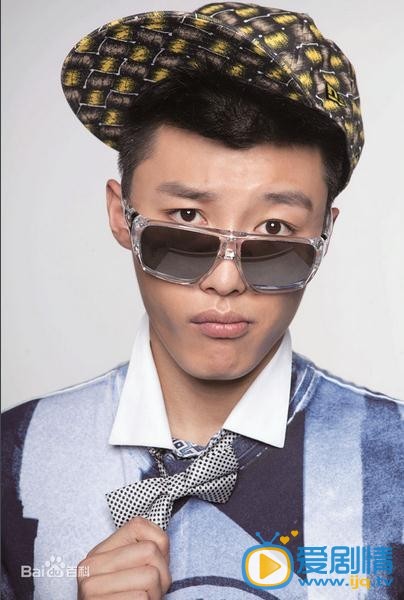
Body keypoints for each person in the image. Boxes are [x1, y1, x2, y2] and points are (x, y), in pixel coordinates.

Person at [2, 3, 403, 599]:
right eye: (187, 221)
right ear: (121, 215)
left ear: (325, 235)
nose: (225, 279)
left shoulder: (395, 460)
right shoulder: (13, 457)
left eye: (273, 233)